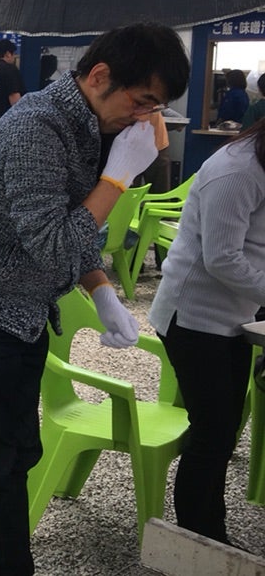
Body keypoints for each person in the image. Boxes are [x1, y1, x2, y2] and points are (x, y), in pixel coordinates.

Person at [0, 22, 190, 576]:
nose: (144, 119)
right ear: (99, 76)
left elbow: (73, 228)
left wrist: (100, 288)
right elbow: (54, 244)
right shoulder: (37, 129)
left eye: (155, 109)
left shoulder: (87, 124)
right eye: (142, 102)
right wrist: (116, 180)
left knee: (18, 456)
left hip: (23, 313)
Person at [147, 118, 265, 546]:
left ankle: (210, 532)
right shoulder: (237, 171)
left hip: (234, 318)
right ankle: (198, 539)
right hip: (194, 318)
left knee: (222, 431)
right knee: (212, 434)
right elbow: (221, 258)